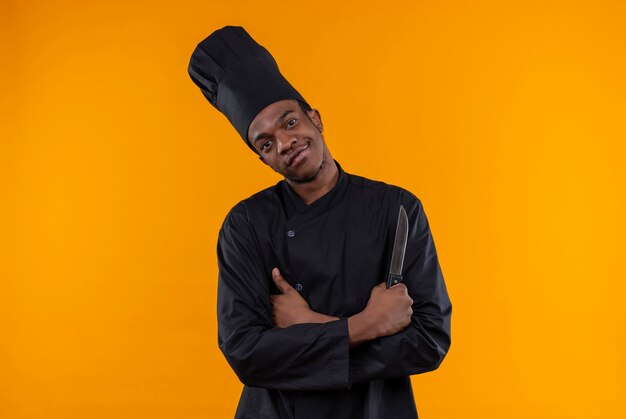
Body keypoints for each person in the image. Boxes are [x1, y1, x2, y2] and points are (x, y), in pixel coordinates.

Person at [188, 26, 452, 419]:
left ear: (315, 118)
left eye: (290, 122)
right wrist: (362, 326)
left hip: (375, 410)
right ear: (262, 159)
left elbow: (430, 339)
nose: (284, 143)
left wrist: (308, 326)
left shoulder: (396, 208)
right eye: (266, 143)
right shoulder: (246, 225)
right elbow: (245, 352)